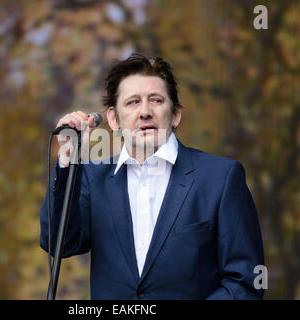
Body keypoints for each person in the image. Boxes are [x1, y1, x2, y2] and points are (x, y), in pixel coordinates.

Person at [40, 53, 265, 299]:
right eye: (133, 102)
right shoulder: (93, 179)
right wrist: (66, 162)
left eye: (156, 100)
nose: (145, 112)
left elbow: (245, 282)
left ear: (176, 114)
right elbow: (58, 243)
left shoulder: (221, 178)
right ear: (114, 119)